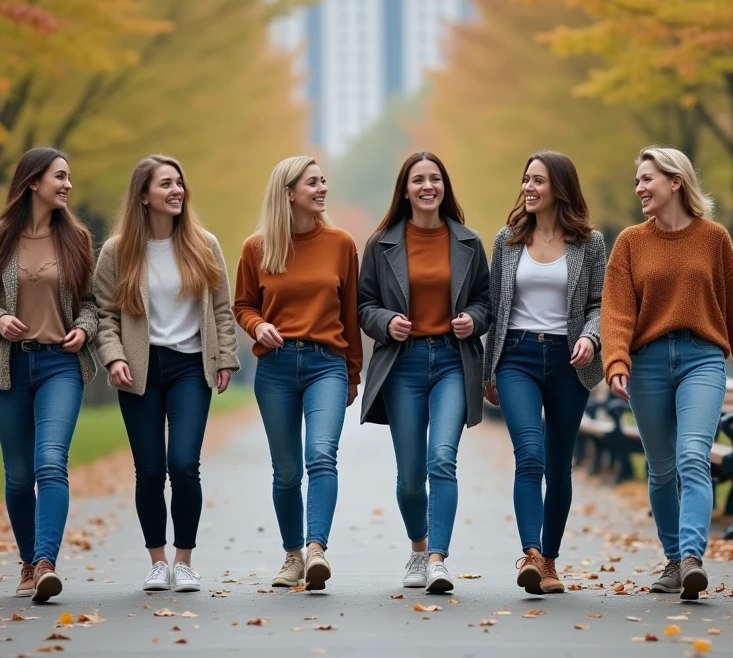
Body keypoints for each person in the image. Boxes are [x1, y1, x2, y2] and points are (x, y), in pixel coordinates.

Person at [601, 146, 733, 600]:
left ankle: (693, 558)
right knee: (660, 470)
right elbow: (616, 312)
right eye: (637, 180)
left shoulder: (714, 238)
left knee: (693, 456)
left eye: (647, 179)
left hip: (702, 359)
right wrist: (616, 361)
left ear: (676, 181)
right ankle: (673, 560)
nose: (639, 188)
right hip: (648, 364)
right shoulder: (630, 242)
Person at [93, 156, 239, 593]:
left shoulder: (203, 244)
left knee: (183, 465)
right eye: (166, 184)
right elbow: (104, 314)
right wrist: (113, 356)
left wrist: (225, 358)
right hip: (138, 369)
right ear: (143, 195)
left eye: (179, 183)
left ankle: (184, 560)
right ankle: (157, 562)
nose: (177, 191)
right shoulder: (117, 252)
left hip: (190, 367)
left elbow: (221, 309)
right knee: (150, 470)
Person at [0, 146, 98, 603]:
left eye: (69, 176)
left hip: (61, 364)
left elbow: (94, 305)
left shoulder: (77, 238)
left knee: (50, 462)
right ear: (33, 181)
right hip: (8, 366)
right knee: (19, 475)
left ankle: (45, 564)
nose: (68, 185)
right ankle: (26, 561)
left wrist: (83, 328)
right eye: (60, 176)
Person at [357, 152, 491, 594]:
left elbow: (486, 301)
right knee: (411, 474)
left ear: (445, 187)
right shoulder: (382, 244)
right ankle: (418, 547)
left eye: (435, 178)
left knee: (442, 460)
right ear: (406, 189)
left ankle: (437, 559)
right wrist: (384, 323)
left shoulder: (468, 241)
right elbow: (363, 305)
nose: (428, 186)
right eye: (419, 179)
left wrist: (473, 318)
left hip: (452, 361)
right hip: (404, 365)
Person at [233, 156, 363, 591]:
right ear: (288, 192)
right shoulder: (257, 248)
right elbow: (243, 305)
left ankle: (316, 549)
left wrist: (353, 372)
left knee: (322, 455)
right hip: (275, 368)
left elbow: (350, 314)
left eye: (324, 180)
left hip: (326, 363)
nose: (321, 188)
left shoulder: (341, 243)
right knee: (286, 471)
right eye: (312, 182)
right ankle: (292, 557)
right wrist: (258, 326)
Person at [483, 151, 606, 595]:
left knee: (559, 466)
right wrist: (487, 374)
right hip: (516, 356)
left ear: (559, 187)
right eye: (525, 179)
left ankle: (550, 562)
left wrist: (590, 338)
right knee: (529, 455)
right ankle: (531, 554)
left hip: (569, 359)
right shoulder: (507, 240)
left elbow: (598, 304)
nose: (528, 187)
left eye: (537, 180)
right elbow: (496, 310)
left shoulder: (590, 244)